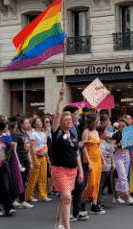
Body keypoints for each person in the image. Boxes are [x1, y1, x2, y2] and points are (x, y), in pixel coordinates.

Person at [52, 87, 84, 229]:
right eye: (65, 120)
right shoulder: (56, 133)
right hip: (59, 169)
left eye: (70, 120)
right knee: (68, 198)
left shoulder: (73, 135)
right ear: (60, 122)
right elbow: (58, 113)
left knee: (64, 199)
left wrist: (81, 171)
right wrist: (60, 97)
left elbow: (76, 154)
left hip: (72, 171)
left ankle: (58, 223)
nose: (68, 122)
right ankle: (67, 226)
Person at [65, 105, 89, 221]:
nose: (76, 117)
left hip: (78, 160)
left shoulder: (75, 127)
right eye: (75, 114)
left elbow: (80, 144)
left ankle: (77, 211)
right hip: (68, 162)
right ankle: (67, 213)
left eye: (77, 114)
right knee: (69, 189)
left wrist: (87, 160)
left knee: (80, 185)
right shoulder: (63, 130)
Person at [81, 113, 106, 214]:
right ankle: (81, 202)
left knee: (96, 183)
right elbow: (83, 147)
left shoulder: (96, 131)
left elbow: (98, 148)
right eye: (98, 120)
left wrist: (103, 160)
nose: (99, 122)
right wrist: (88, 162)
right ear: (93, 121)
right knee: (90, 183)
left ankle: (94, 205)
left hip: (98, 160)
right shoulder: (86, 132)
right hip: (90, 159)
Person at [26, 116, 52, 202]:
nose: (40, 122)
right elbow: (32, 148)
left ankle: (43, 194)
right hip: (36, 156)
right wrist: (35, 160)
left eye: (40, 121)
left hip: (43, 156)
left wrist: (47, 157)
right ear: (34, 124)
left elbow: (45, 146)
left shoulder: (43, 133)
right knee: (34, 177)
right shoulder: (33, 134)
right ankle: (29, 196)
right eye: (38, 121)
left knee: (43, 176)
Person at [12, 117, 34, 209]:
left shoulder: (25, 134)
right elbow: (14, 149)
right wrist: (18, 162)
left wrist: (30, 162)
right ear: (21, 124)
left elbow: (28, 149)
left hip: (25, 159)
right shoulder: (16, 135)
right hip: (19, 159)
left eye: (29, 123)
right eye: (26, 123)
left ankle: (21, 200)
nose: (28, 124)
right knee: (19, 180)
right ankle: (19, 200)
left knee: (24, 179)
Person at [97, 125, 114, 209]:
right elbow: (99, 153)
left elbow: (112, 153)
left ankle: (98, 199)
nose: (107, 132)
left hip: (108, 164)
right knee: (100, 184)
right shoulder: (98, 141)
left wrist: (113, 163)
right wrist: (103, 162)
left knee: (105, 183)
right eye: (105, 131)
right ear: (101, 133)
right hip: (101, 164)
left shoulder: (108, 141)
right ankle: (98, 201)